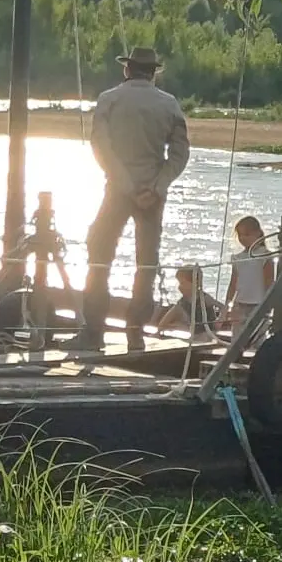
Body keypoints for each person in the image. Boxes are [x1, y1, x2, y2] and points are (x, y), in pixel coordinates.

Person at [79, 46, 191, 353]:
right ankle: (135, 331)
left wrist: (126, 185)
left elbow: (100, 146)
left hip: (117, 189)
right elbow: (180, 153)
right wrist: (157, 185)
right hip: (152, 194)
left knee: (99, 255)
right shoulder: (169, 105)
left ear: (127, 70)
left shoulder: (109, 99)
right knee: (146, 263)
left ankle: (93, 331)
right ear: (153, 72)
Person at [226, 215, 275, 328]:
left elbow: (269, 281)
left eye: (247, 234)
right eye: (240, 235)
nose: (243, 238)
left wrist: (268, 305)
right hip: (239, 304)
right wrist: (228, 306)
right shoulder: (237, 258)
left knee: (257, 337)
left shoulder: (265, 255)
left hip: (259, 305)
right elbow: (233, 284)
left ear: (258, 233)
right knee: (237, 337)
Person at [159, 265, 226, 340]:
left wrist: (219, 321)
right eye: (179, 283)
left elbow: (223, 307)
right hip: (192, 334)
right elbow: (163, 323)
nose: (179, 287)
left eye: (182, 283)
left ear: (195, 283)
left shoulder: (204, 299)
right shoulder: (182, 303)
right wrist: (175, 326)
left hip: (206, 334)